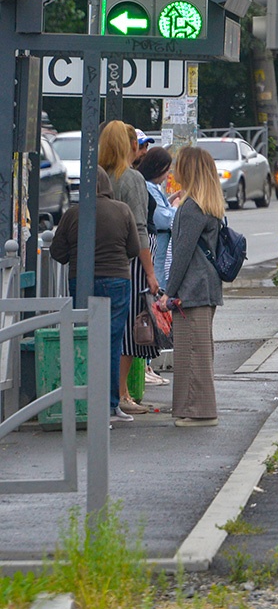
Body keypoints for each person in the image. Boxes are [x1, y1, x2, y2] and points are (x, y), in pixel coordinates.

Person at [50, 167, 140, 424]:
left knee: (85, 340)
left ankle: (85, 402)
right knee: (111, 343)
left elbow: (58, 252)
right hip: (116, 280)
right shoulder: (122, 210)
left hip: (82, 282)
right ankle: (111, 406)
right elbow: (133, 248)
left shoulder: (73, 214)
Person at [99, 121, 159, 415]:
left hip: (95, 262)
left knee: (101, 332)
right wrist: (150, 271)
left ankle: (113, 395)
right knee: (124, 333)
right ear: (129, 145)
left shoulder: (98, 175)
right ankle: (119, 396)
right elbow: (139, 227)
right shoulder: (131, 178)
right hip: (128, 262)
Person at [163, 146, 225, 427]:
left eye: (179, 166)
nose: (174, 171)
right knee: (201, 349)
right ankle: (198, 408)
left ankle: (199, 411)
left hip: (191, 287)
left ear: (188, 171)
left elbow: (182, 254)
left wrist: (169, 291)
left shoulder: (190, 209)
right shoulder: (207, 204)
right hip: (207, 285)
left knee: (190, 351)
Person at [138, 146, 177, 388]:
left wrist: (170, 203)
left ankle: (147, 364)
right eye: (166, 169)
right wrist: (176, 210)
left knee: (153, 311)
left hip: (159, 254)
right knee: (150, 312)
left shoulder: (154, 188)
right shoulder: (149, 188)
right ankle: (144, 364)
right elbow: (163, 218)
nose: (167, 174)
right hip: (156, 255)